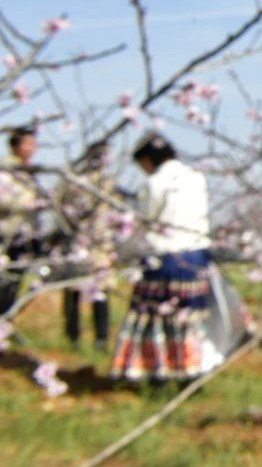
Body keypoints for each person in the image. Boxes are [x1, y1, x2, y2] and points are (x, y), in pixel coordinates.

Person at [110, 132, 222, 382]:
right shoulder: (196, 178)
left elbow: (145, 221)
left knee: (155, 320)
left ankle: (157, 372)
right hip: (195, 259)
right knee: (191, 322)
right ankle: (192, 370)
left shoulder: (154, 184)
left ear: (148, 160)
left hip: (164, 259)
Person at [59, 141, 113, 349]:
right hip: (82, 242)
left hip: (97, 243)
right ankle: (78, 336)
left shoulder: (103, 181)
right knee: (77, 290)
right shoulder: (76, 181)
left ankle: (97, 337)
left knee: (99, 289)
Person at [0, 127, 41, 315]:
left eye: (34, 144)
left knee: (15, 282)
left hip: (24, 233)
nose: (33, 148)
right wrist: (26, 203)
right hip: (7, 232)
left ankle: (5, 321)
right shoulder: (7, 168)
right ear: (16, 146)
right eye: (28, 143)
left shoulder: (29, 171)